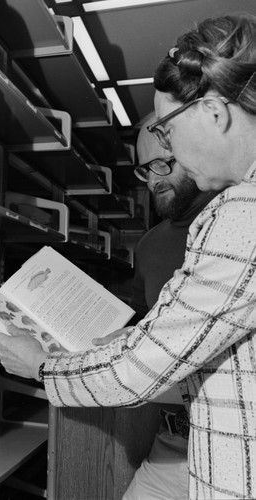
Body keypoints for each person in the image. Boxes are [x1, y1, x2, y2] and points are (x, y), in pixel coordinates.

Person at [0, 12, 256, 499]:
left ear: (215, 114)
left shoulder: (242, 212)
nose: (165, 153)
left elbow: (139, 371)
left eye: (168, 131)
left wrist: (40, 366)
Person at [123, 114, 218, 500]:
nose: (153, 179)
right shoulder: (148, 244)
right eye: (145, 169)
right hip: (172, 445)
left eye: (164, 163)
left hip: (228, 443)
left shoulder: (229, 224)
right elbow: (137, 323)